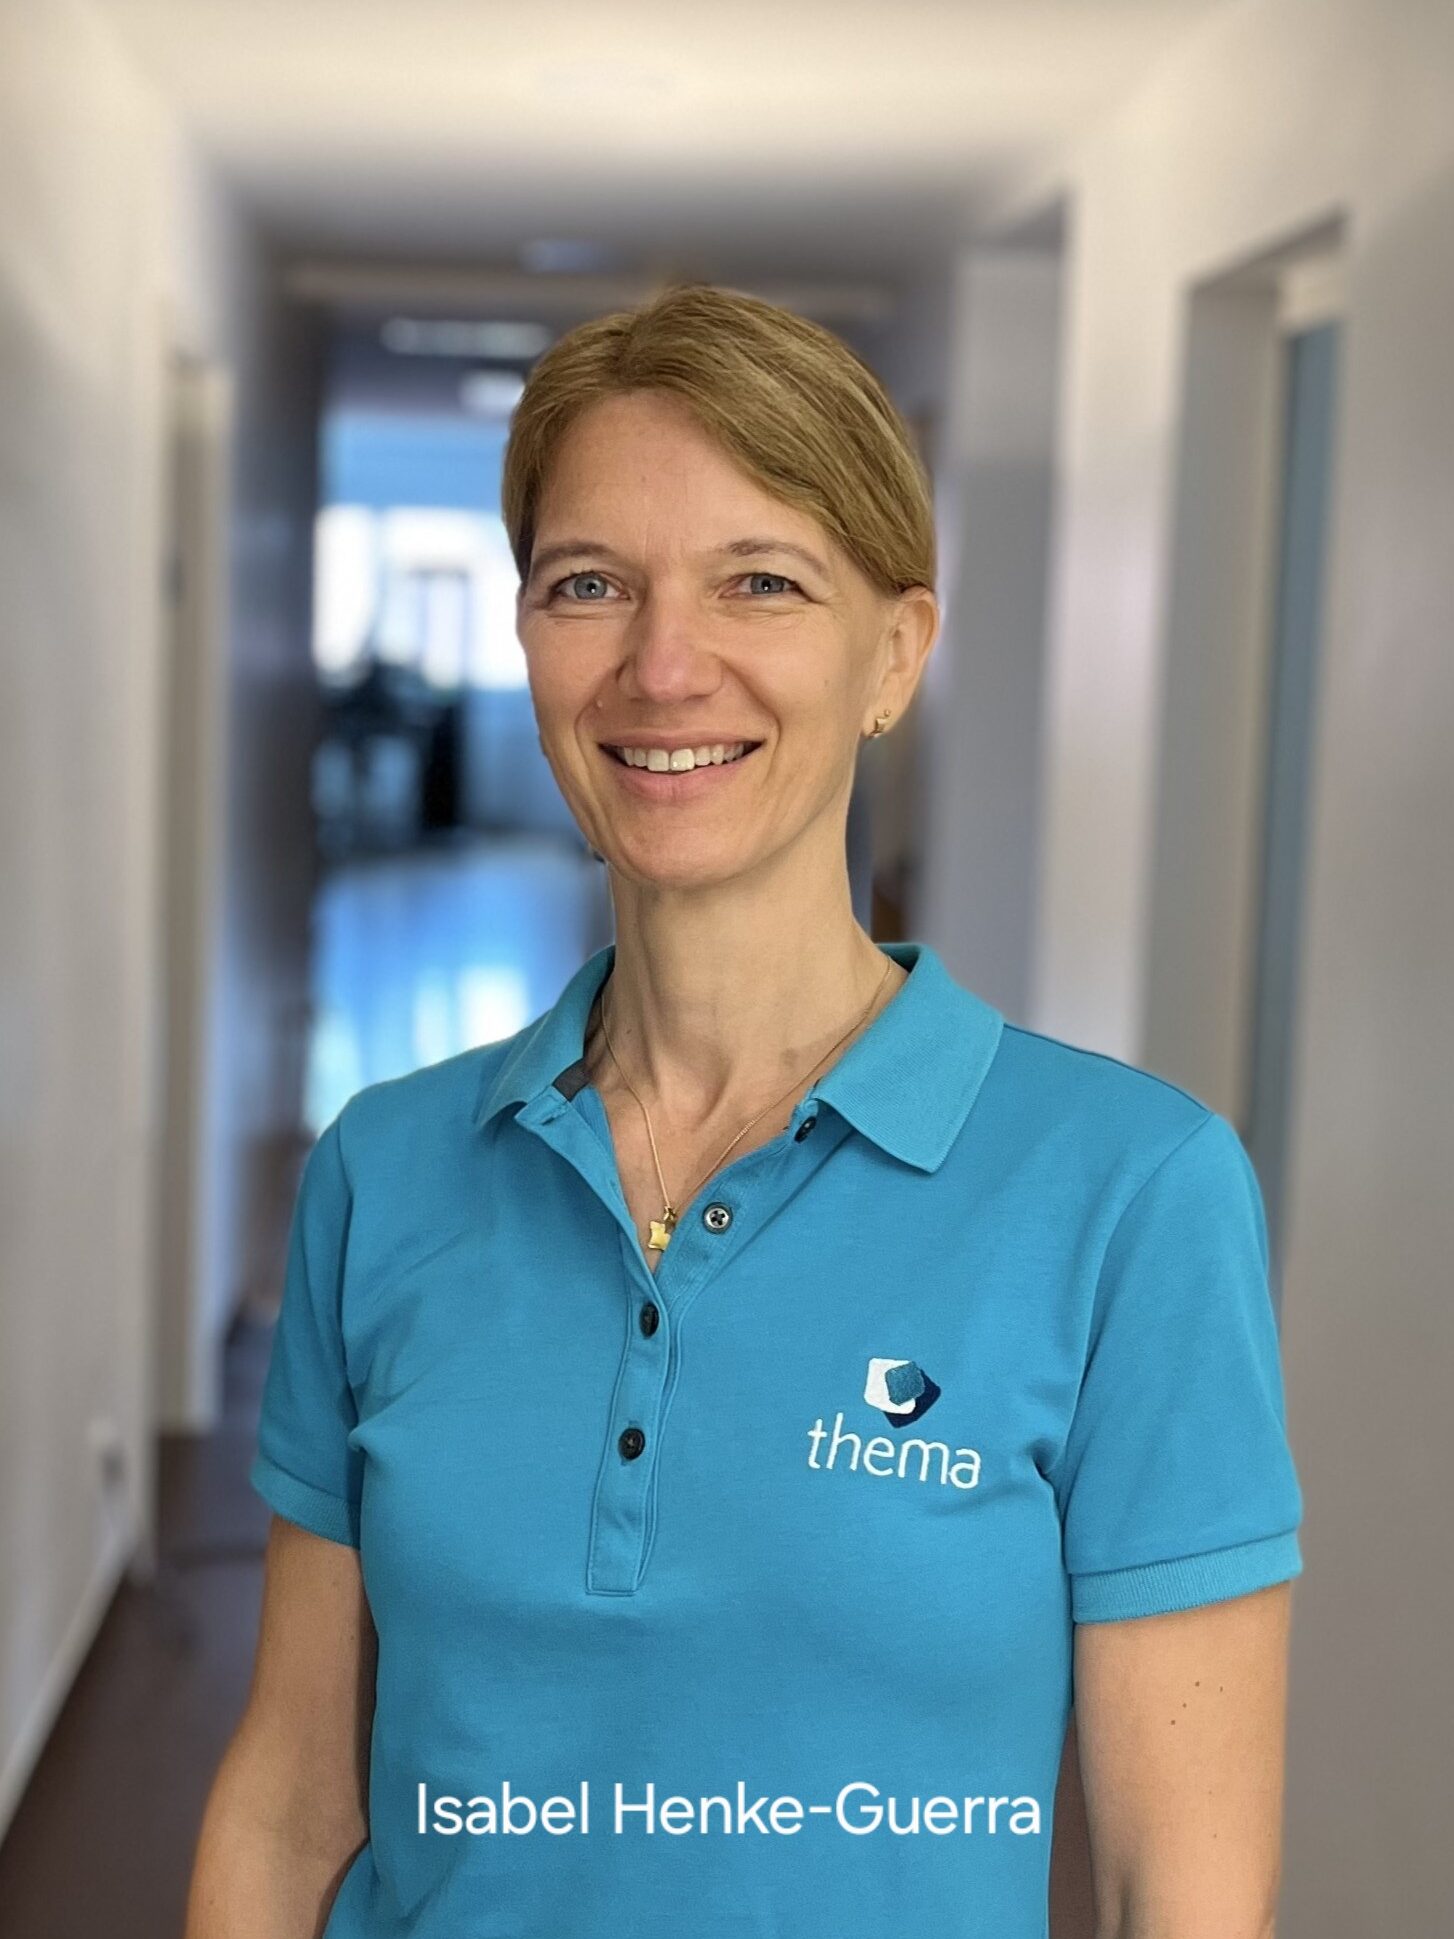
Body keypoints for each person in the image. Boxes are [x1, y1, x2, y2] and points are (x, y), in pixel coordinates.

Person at [184, 282, 1303, 1939]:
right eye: (588, 584)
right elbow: (289, 1804)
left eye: (759, 582)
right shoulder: (389, 1169)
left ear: (893, 654)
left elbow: (1181, 1891)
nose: (661, 666)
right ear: (527, 634)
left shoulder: (1128, 1195)